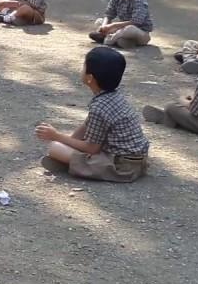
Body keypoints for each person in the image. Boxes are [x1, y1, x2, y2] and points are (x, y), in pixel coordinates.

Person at [34, 47, 150, 183]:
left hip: (121, 166)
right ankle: (70, 160)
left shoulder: (99, 107)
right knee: (60, 146)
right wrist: (67, 142)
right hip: (138, 159)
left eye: (84, 66)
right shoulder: (113, 95)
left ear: (90, 78)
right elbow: (87, 125)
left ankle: (71, 163)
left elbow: (92, 148)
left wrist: (57, 136)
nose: (82, 68)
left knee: (54, 147)